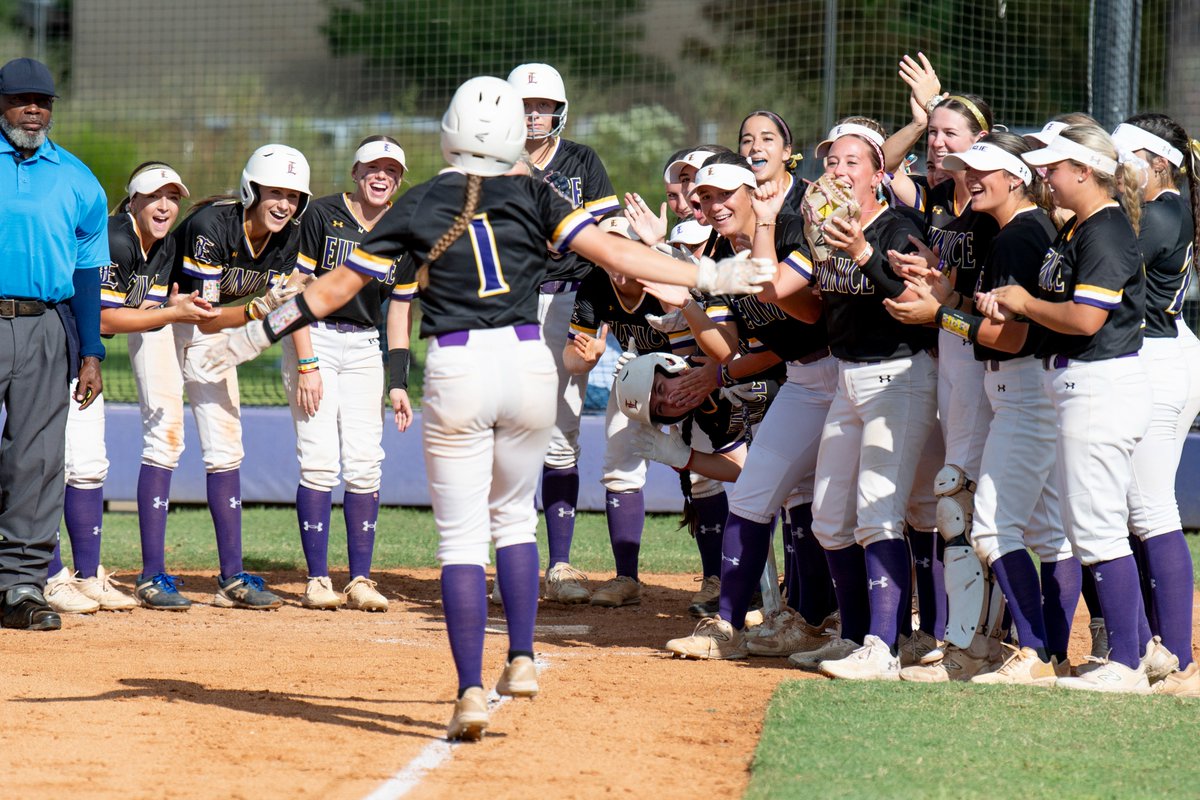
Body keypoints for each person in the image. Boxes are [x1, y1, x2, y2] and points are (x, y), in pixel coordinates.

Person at [198, 76, 771, 741]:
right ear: (508, 138)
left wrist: (243, 339)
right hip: (529, 360)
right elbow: (614, 252)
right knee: (513, 524)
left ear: (449, 132)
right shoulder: (536, 191)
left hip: (458, 364)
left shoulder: (417, 201)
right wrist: (714, 276)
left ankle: (472, 689)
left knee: (463, 536)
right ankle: (522, 656)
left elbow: (328, 294)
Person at [884, 134, 1080, 684]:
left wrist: (938, 316)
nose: (971, 177)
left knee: (992, 529)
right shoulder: (1024, 230)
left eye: (984, 169)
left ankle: (1027, 654)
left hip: (1021, 388)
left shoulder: (1018, 236)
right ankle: (1044, 653)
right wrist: (947, 297)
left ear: (1016, 177)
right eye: (966, 168)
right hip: (1026, 389)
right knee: (1045, 530)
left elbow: (1011, 337)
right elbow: (997, 319)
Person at [977, 123, 1152, 693]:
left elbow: (1084, 319)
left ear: (1086, 170)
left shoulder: (1104, 230)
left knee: (1099, 529)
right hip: (1076, 385)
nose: (1044, 174)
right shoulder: (1078, 225)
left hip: (1100, 383)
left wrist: (1023, 301)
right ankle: (1127, 656)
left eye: (1054, 165)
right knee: (1086, 527)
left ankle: (1126, 661)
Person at [646, 153, 839, 659]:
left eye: (724, 193)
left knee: (841, 509)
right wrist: (687, 300)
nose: (713, 204)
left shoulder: (792, 229)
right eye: (705, 196)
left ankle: (846, 623)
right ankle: (728, 628)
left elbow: (812, 312)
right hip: (802, 379)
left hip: (843, 371)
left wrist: (761, 270)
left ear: (753, 193)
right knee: (758, 495)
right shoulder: (716, 250)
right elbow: (728, 347)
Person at [44, 162, 218, 614]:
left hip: (86, 357)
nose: (165, 205)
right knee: (53, 464)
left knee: (89, 465)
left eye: (173, 197)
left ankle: (86, 576)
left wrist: (168, 308)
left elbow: (137, 309)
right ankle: (48, 575)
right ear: (134, 201)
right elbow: (103, 317)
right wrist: (169, 313)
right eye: (154, 196)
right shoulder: (116, 239)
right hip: (57, 347)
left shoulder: (161, 248)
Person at [147, 143, 312, 610]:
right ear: (251, 190)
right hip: (163, 321)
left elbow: (289, 306)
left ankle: (231, 578)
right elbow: (202, 314)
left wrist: (286, 342)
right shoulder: (210, 227)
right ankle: (150, 575)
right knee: (165, 438)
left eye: (294, 195)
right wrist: (257, 312)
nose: (285, 204)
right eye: (275, 192)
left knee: (226, 445)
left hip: (218, 325)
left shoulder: (289, 237)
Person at [562, 215, 726, 612]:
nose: (616, 262)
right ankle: (626, 578)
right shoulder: (596, 284)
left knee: (703, 475)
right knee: (619, 467)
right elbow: (572, 358)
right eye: (609, 248)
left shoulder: (658, 273)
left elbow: (694, 334)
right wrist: (587, 359)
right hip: (635, 374)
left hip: (686, 375)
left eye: (625, 247)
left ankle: (714, 579)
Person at [0, 57, 108, 631]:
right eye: (21, 99)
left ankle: (19, 584)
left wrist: (91, 350)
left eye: (42, 101)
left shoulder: (75, 176)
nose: (33, 110)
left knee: (38, 458)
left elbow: (89, 270)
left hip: (45, 324)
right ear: (2, 103)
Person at [506, 63, 621, 602]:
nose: (534, 115)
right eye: (525, 106)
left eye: (542, 106)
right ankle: (514, 558)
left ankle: (560, 563)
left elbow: (609, 229)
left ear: (558, 110)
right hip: (510, 300)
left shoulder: (580, 160)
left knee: (561, 429)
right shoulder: (490, 162)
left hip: (571, 296)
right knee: (507, 425)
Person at [285, 137, 409, 612]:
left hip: (363, 345)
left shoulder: (403, 226)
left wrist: (396, 380)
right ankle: (318, 579)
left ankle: (359, 579)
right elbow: (297, 288)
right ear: (356, 173)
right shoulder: (320, 214)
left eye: (391, 170)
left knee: (364, 461)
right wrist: (306, 364)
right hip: (313, 335)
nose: (381, 176)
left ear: (398, 179)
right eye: (372, 168)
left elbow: (399, 311)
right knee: (318, 458)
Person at [1110, 114, 1200, 695]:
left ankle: (1183, 668)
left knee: (1150, 509)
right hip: (1153, 357)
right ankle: (1152, 650)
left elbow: (1107, 266)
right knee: (1126, 512)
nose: (1115, 170)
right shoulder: (1154, 209)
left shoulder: (1163, 212)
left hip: (1160, 363)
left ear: (1158, 161)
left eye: (1125, 159)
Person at [739, 110, 804, 215]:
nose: (755, 147)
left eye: (767, 139)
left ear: (786, 152)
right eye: (747, 141)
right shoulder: (732, 200)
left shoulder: (810, 199)